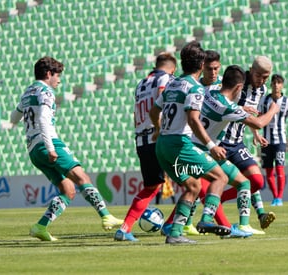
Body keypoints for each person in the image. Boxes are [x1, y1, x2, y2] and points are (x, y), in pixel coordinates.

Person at [10, 56, 123, 241]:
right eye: (58, 75)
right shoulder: (45, 92)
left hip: (33, 150)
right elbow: (43, 120)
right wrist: (50, 147)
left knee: (68, 190)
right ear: (48, 74)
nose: (59, 80)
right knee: (81, 177)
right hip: (48, 144)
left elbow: (14, 118)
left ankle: (40, 227)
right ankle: (106, 216)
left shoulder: (28, 92)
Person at [149, 41, 231, 244]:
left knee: (193, 186)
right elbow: (193, 120)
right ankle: (206, 220)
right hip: (179, 143)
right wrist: (212, 146)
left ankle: (175, 233)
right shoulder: (195, 88)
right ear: (202, 64)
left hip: (162, 146)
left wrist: (159, 130)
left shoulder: (172, 83)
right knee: (220, 177)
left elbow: (153, 111)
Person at [114, 52, 177, 242]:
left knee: (151, 187)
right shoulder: (166, 79)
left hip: (141, 140)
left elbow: (136, 114)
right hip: (159, 138)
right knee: (195, 183)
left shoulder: (141, 83)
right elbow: (161, 103)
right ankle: (171, 225)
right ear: (173, 68)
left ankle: (124, 228)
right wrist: (160, 129)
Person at [219, 56, 277, 234]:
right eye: (259, 76)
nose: (262, 81)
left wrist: (256, 134)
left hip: (237, 143)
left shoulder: (262, 90)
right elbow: (221, 102)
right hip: (220, 141)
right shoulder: (237, 83)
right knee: (239, 182)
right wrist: (271, 110)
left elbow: (251, 117)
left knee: (257, 181)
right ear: (251, 70)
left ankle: (217, 198)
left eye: (266, 77)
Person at [258, 74, 288, 206]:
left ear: (282, 85)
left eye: (279, 83)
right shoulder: (264, 100)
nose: (276, 85)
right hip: (266, 140)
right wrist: (256, 134)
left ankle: (279, 197)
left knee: (279, 169)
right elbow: (258, 117)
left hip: (280, 141)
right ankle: (275, 197)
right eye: (274, 83)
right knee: (268, 171)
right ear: (271, 85)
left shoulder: (287, 101)